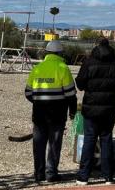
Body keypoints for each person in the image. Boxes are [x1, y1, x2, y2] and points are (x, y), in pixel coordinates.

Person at [75, 38, 115, 186]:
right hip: (110, 108)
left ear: (96, 47)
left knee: (89, 140)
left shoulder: (89, 62)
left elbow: (80, 83)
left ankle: (84, 176)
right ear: (109, 47)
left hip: (91, 108)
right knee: (106, 140)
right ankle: (108, 176)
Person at [25, 40, 78, 183]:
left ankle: (39, 173)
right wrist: (72, 112)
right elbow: (70, 94)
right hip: (57, 113)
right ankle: (51, 173)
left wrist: (39, 101)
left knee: (38, 143)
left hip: (39, 113)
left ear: (47, 53)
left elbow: (28, 93)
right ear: (60, 53)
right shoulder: (63, 68)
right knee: (54, 143)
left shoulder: (37, 68)